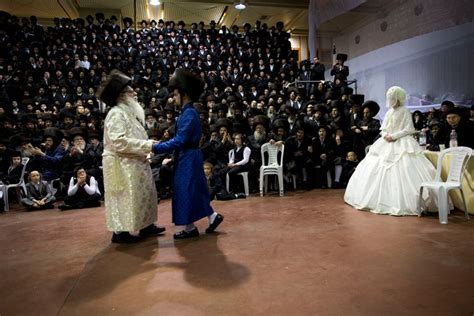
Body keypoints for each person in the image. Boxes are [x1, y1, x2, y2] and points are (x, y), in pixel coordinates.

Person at [152, 69, 224, 240]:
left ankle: (193, 227)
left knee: (185, 190)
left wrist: (156, 148)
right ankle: (209, 218)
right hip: (187, 156)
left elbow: (180, 140)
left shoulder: (189, 114)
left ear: (184, 94)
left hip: (188, 156)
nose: (173, 97)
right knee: (193, 190)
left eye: (176, 94)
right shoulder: (187, 113)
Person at [344, 87, 437, 215]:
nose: (391, 100)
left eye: (392, 98)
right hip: (387, 142)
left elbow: (408, 129)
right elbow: (384, 128)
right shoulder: (389, 112)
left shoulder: (405, 111)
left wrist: (394, 136)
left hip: (401, 142)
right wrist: (386, 135)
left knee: (405, 165)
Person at [98, 69, 165, 244]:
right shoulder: (116, 114)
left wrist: (146, 145)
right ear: (121, 96)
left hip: (135, 160)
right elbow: (119, 142)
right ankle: (120, 233)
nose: (135, 93)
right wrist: (148, 145)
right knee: (125, 198)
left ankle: (146, 226)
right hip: (121, 164)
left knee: (144, 194)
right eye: (130, 91)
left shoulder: (128, 112)